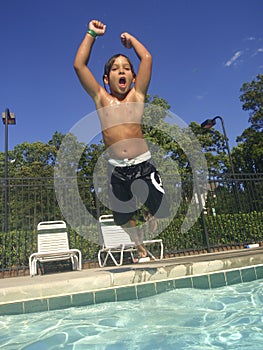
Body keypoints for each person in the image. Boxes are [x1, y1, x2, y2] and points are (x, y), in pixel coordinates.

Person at [74, 19, 169, 259]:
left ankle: (150, 214)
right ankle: (139, 246)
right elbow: (79, 66)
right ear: (106, 79)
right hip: (116, 170)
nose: (122, 71)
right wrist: (91, 34)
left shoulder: (137, 96)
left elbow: (146, 58)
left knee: (163, 210)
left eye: (126, 68)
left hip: (143, 165)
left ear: (133, 76)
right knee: (123, 218)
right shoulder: (101, 99)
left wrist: (132, 41)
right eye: (116, 69)